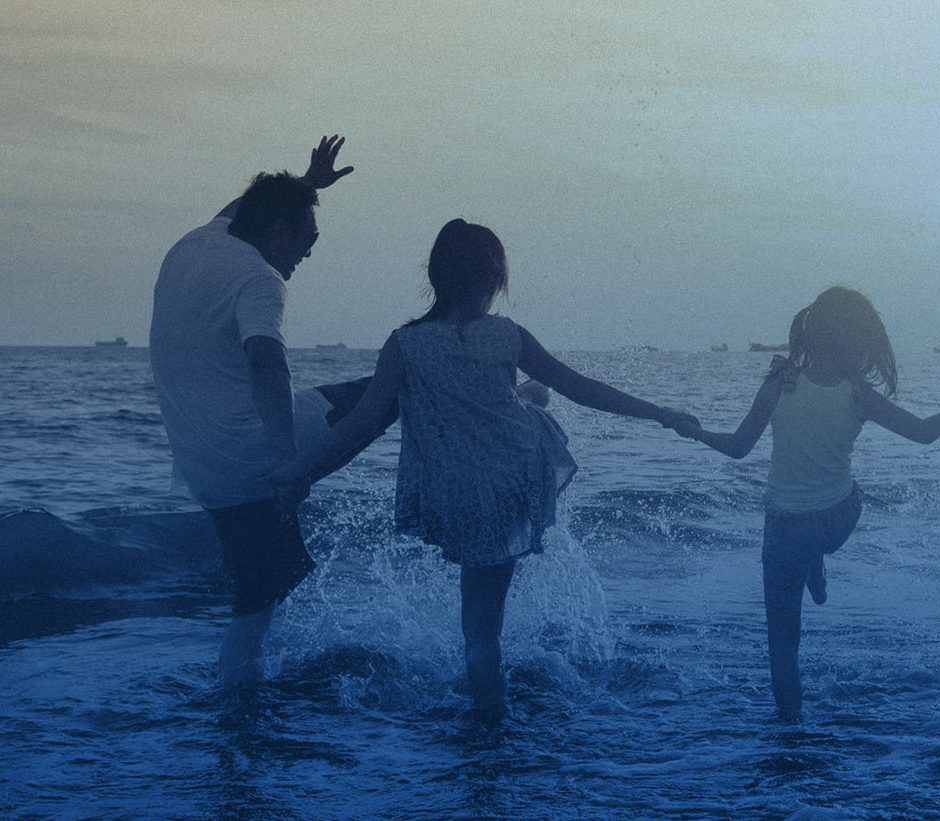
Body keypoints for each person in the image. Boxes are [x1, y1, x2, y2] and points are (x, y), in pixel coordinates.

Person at [272, 219, 693, 721]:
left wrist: (301, 475)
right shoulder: (506, 335)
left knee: (477, 627)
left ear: (436, 276)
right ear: (496, 278)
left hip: (455, 490)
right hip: (511, 483)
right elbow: (585, 388)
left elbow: (362, 423)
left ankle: (488, 723)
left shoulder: (405, 343)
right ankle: (492, 726)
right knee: (484, 627)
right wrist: (661, 413)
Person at [672, 286, 940, 722]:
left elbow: (740, 447)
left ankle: (791, 735)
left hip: (784, 530)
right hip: (838, 519)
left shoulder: (781, 382)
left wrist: (697, 432)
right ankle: (816, 560)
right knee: (849, 496)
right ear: (860, 343)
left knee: (783, 646)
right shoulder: (858, 394)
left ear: (812, 333)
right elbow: (925, 433)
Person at [149, 136, 354, 690]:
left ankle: (249, 698)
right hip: (254, 456)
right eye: (303, 244)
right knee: (395, 382)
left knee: (263, 589)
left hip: (202, 466)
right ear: (278, 232)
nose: (303, 258)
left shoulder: (196, 242)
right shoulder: (259, 279)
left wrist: (306, 185)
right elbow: (267, 361)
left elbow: (246, 207)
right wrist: (290, 463)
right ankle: (238, 706)